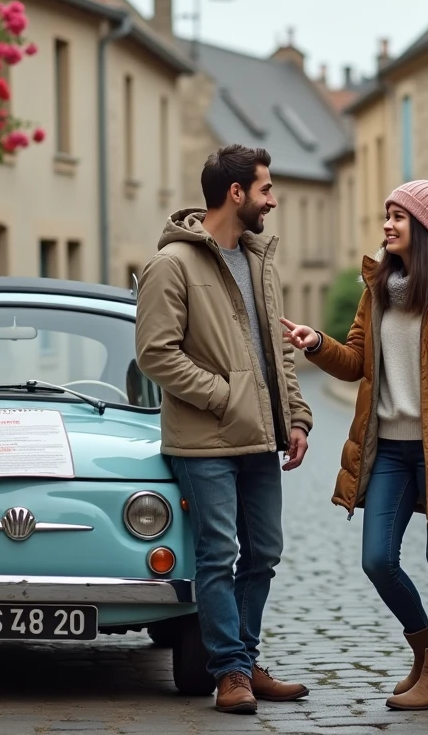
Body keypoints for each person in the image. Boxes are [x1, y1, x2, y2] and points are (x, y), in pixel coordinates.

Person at [281, 172, 428, 711]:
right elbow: (358, 359)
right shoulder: (377, 290)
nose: (386, 223)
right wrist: (316, 344)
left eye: (398, 215)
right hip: (389, 449)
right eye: (387, 214)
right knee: (378, 559)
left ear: (424, 228)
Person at [136, 144, 313, 715]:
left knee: (264, 550)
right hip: (204, 439)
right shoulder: (172, 265)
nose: (273, 200)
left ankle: (246, 658)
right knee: (217, 554)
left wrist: (298, 416)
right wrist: (224, 397)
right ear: (235, 194)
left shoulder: (261, 262)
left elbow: (277, 354)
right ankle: (230, 672)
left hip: (260, 437)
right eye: (265, 189)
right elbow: (155, 355)